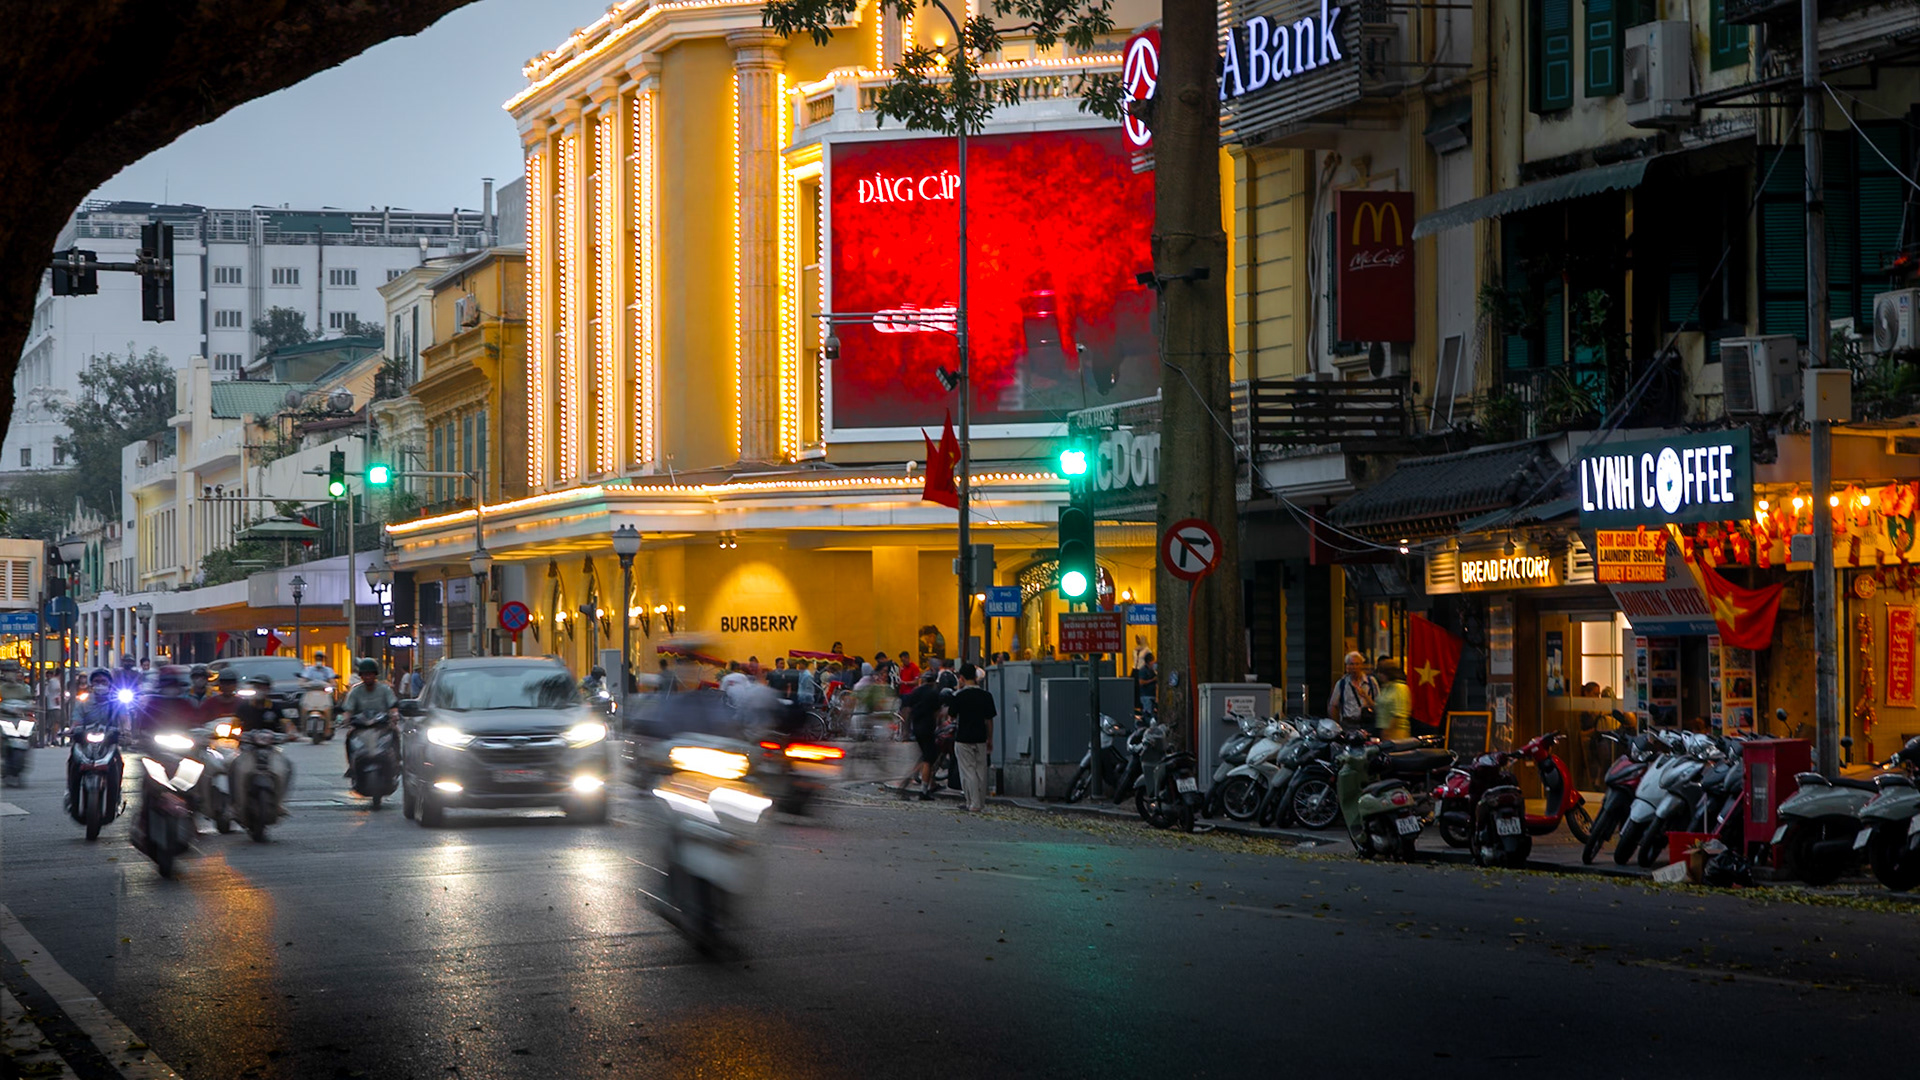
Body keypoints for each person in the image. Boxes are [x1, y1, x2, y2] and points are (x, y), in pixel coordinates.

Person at [948, 663, 996, 812]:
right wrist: (990, 738)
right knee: (981, 770)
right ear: (975, 677)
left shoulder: (959, 696)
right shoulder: (986, 695)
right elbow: (989, 720)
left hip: (963, 737)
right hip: (980, 737)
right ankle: (980, 802)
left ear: (961, 678)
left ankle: (973, 802)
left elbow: (951, 716)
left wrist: (958, 689)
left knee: (968, 771)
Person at [341, 659, 400, 777]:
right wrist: (346, 719)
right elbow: (348, 709)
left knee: (395, 732)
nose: (368, 677)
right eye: (365, 674)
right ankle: (352, 765)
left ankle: (397, 761)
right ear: (361, 676)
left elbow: (392, 705)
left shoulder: (384, 689)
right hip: (361, 726)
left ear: (375, 675)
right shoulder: (355, 691)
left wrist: (394, 715)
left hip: (381, 725)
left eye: (370, 674)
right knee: (349, 736)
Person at [898, 672, 944, 800]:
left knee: (925, 756)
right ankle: (922, 790)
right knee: (928, 759)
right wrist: (939, 725)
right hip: (928, 728)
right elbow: (937, 713)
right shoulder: (934, 694)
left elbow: (907, 710)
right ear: (933, 682)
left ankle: (930, 784)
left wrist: (906, 730)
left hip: (917, 728)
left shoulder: (915, 692)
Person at [1327, 652, 1378, 727]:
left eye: (1357, 664)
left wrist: (1365, 696)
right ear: (1347, 666)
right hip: (1348, 724)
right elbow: (1333, 705)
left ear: (1362, 665)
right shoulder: (1342, 684)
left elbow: (1379, 705)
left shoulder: (1371, 682)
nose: (1354, 667)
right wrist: (1337, 725)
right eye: (1351, 664)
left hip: (1368, 723)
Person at [1372, 658, 1411, 740]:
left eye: (1381, 673)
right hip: (1384, 732)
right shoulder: (1385, 688)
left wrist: (1388, 732)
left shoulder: (1400, 688)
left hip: (1396, 734)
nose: (1379, 676)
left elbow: (1398, 714)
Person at [1133, 650, 1158, 719]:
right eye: (1153, 661)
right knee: (1148, 712)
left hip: (1152, 695)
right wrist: (1152, 680)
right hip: (1146, 695)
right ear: (1149, 662)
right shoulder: (1143, 670)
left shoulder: (1153, 670)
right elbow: (1141, 682)